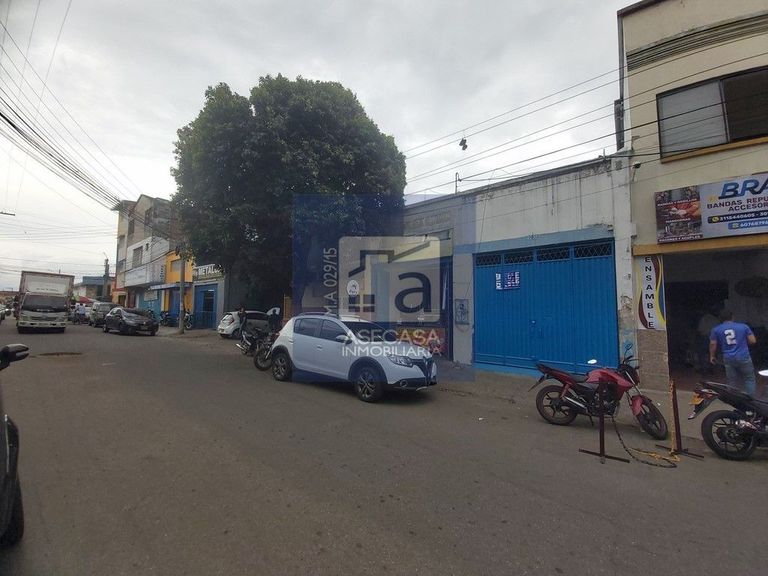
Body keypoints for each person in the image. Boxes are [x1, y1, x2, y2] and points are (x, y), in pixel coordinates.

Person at [709, 309, 757, 395]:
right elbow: (753, 341)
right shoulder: (743, 326)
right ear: (732, 317)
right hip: (743, 355)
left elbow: (713, 344)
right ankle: (751, 398)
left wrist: (712, 356)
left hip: (728, 357)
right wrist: (743, 343)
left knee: (731, 380)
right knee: (749, 378)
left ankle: (732, 397)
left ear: (720, 319)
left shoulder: (716, 329)